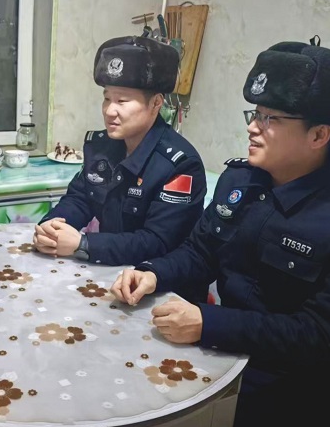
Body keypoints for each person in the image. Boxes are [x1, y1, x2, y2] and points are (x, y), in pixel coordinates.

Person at [110, 39, 330, 427]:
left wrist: (209, 323)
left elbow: (324, 337)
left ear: (319, 135)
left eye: (271, 119)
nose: (253, 127)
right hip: (230, 358)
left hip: (304, 392)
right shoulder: (241, 181)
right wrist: (152, 273)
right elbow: (201, 251)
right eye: (255, 113)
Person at [34, 35, 206, 266]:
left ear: (156, 103)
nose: (109, 111)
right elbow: (80, 198)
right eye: (107, 98)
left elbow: (158, 241)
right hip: (109, 269)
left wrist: (84, 244)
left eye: (122, 101)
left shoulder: (180, 164)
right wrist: (52, 226)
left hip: (156, 279)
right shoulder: (102, 147)